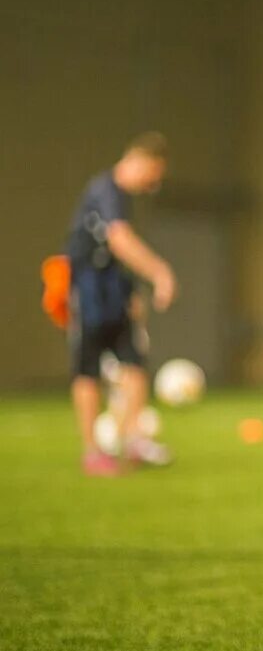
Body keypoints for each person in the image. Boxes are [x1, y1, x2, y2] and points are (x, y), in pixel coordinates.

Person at [67, 132, 176, 476]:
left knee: (134, 359)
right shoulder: (105, 190)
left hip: (113, 285)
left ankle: (133, 440)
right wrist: (160, 272)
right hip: (88, 286)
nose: (153, 184)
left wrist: (130, 292)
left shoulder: (122, 196)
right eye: (153, 175)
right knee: (88, 366)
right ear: (141, 161)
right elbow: (119, 240)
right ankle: (92, 451)